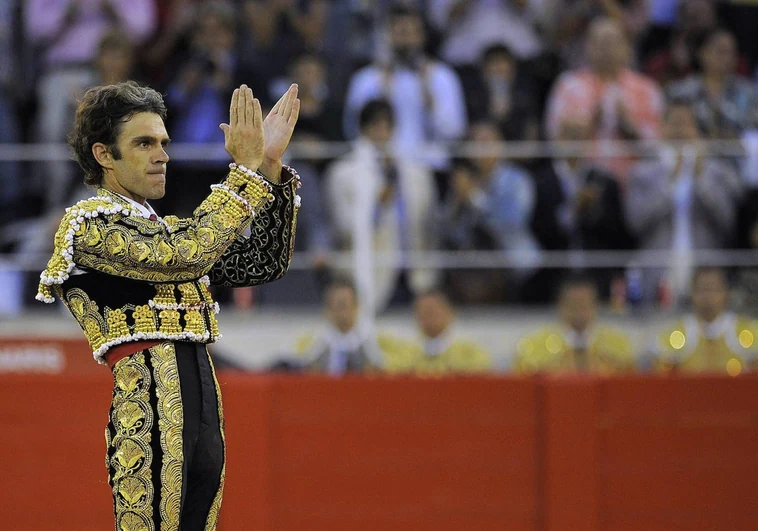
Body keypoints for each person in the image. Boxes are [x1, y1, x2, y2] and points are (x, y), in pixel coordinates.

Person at [36, 80, 302, 528]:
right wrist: (244, 170)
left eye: (163, 142)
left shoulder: (171, 231)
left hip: (203, 413)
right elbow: (182, 256)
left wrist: (269, 166)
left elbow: (261, 263)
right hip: (149, 418)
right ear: (104, 156)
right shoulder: (87, 226)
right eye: (143, 143)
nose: (162, 155)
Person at [624, 98, 742, 305]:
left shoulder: (717, 170)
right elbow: (635, 223)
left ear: (697, 129)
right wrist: (669, 183)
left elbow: (728, 222)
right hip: (658, 272)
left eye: (687, 123)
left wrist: (702, 180)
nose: (681, 130)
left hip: (705, 273)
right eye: (675, 123)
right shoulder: (642, 172)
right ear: (662, 127)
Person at [326, 99, 438, 313]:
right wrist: (377, 205)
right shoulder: (342, 174)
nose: (381, 131)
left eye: (387, 125)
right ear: (363, 128)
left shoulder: (416, 174)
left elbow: (427, 223)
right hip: (368, 275)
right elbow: (343, 228)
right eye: (375, 125)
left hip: (414, 274)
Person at [343, 6, 467, 169]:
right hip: (378, 167)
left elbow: (454, 132)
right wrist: (381, 95)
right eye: (400, 32)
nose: (406, 40)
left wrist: (430, 101)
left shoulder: (441, 77)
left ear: (422, 36)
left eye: (411, 33)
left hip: (429, 167)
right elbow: (352, 130)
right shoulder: (366, 79)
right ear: (387, 35)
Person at [545, 17, 664, 180]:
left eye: (612, 42)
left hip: (636, 182)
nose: (606, 48)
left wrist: (630, 127)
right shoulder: (568, 86)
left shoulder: (647, 89)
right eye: (599, 42)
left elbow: (659, 146)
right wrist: (592, 122)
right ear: (587, 47)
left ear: (627, 47)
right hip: (582, 180)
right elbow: (555, 139)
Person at [529, 118, 634, 302]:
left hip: (597, 273)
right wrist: (572, 210)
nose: (573, 142)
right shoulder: (540, 182)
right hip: (554, 274)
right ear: (557, 139)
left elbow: (619, 232)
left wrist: (593, 211)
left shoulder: (605, 181)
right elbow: (538, 229)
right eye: (568, 136)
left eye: (579, 136)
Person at [440, 121, 539, 303]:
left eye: (487, 141)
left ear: (501, 145)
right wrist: (457, 203)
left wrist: (474, 197)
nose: (481, 148)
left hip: (515, 270)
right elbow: (448, 231)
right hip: (474, 274)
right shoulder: (464, 179)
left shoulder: (517, 179)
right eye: (475, 143)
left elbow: (511, 222)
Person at [512, 275, 636, 374]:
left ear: (596, 306)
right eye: (574, 305)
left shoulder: (618, 344)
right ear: (561, 306)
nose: (579, 312)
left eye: (585, 305)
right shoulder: (535, 346)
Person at [652, 267, 758, 375]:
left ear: (726, 294)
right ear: (692, 294)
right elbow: (661, 373)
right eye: (702, 290)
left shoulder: (745, 331)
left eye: (713, 289)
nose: (708, 296)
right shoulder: (677, 333)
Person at [667, 28, 758, 140]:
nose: (727, 58)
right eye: (721, 51)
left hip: (738, 155)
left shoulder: (749, 92)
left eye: (732, 52)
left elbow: (754, 132)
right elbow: (669, 130)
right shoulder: (680, 91)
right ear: (701, 52)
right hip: (692, 154)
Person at [286, 279, 385, 375]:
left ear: (356, 307)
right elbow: (304, 369)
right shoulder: (315, 342)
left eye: (344, 305)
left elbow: (383, 371)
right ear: (327, 310)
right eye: (336, 306)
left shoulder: (373, 339)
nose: (341, 312)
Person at [382, 289, 492, 375]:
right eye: (423, 312)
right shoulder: (402, 353)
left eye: (433, 311)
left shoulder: (470, 352)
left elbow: (481, 372)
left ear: (449, 313)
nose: (428, 317)